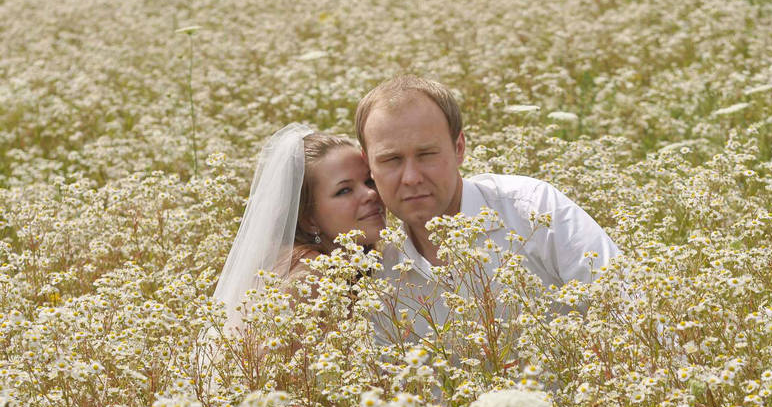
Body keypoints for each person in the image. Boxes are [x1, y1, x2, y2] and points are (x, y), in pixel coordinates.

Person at [354, 75, 621, 343]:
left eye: (426, 154)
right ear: (369, 166)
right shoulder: (381, 279)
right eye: (391, 160)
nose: (411, 177)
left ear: (459, 148)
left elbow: (626, 310)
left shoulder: (534, 211)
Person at [212, 123, 385, 336]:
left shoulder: (354, 263)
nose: (370, 194)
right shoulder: (307, 279)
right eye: (344, 190)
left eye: (369, 181)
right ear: (308, 220)